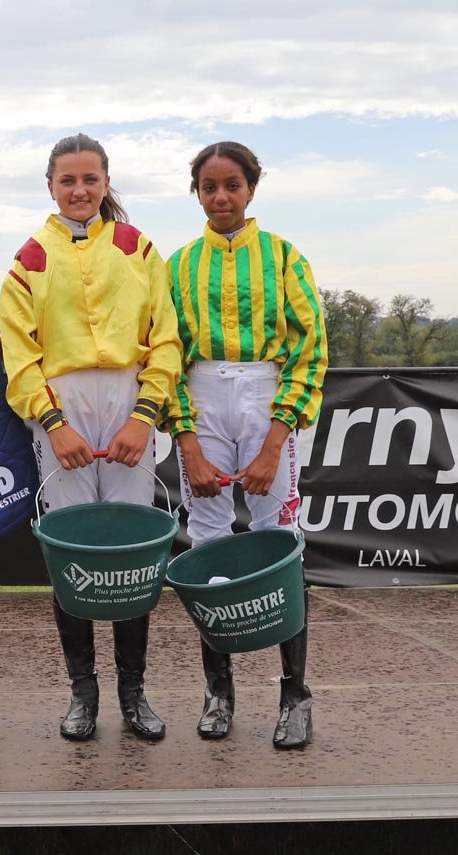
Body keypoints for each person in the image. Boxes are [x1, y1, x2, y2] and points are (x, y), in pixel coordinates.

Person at [0, 133, 181, 742]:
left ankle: (134, 691)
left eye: (90, 180)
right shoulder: (29, 259)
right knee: (71, 554)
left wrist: (144, 415)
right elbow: (20, 357)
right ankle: (83, 693)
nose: (79, 191)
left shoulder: (139, 248)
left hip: (129, 401)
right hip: (62, 405)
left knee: (133, 554)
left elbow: (166, 339)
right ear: (50, 186)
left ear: (106, 182)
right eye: (68, 181)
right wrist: (53, 425)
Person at [163, 141, 327, 749]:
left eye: (231, 185)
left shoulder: (283, 256)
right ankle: (218, 693)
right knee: (207, 542)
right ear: (197, 194)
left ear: (251, 189)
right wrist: (187, 444)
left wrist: (275, 442)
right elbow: (165, 355)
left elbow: (310, 348)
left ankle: (295, 695)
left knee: (279, 540)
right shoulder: (178, 265)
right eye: (208, 187)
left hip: (266, 393)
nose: (220, 197)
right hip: (201, 395)